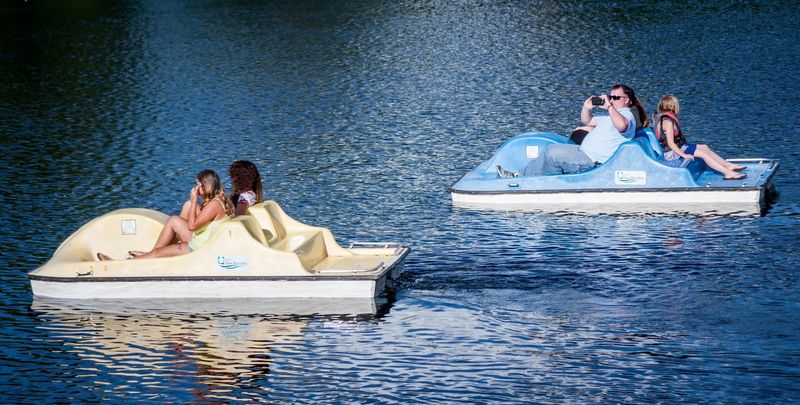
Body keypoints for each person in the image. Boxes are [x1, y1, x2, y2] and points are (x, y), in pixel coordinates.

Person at [497, 84, 642, 178]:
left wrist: (609, 107)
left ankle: (526, 180)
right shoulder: (610, 116)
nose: (612, 100)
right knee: (550, 149)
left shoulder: (626, 114)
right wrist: (586, 107)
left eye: (616, 97)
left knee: (552, 154)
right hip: (583, 153)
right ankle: (521, 175)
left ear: (627, 100)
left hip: (592, 161)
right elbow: (588, 121)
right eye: (611, 97)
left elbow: (622, 126)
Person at [97, 169, 234, 261]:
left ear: (205, 186)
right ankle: (150, 255)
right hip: (201, 240)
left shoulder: (214, 204)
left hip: (197, 247)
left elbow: (192, 225)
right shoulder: (218, 200)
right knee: (177, 216)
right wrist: (192, 203)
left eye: (197, 185)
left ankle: (119, 264)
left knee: (159, 249)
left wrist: (193, 201)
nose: (195, 189)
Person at [654, 94, 745, 180]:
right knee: (703, 154)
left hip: (680, 148)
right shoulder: (667, 122)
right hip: (672, 154)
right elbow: (670, 143)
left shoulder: (668, 119)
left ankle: (727, 165)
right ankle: (727, 173)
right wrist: (684, 155)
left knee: (704, 147)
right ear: (673, 106)